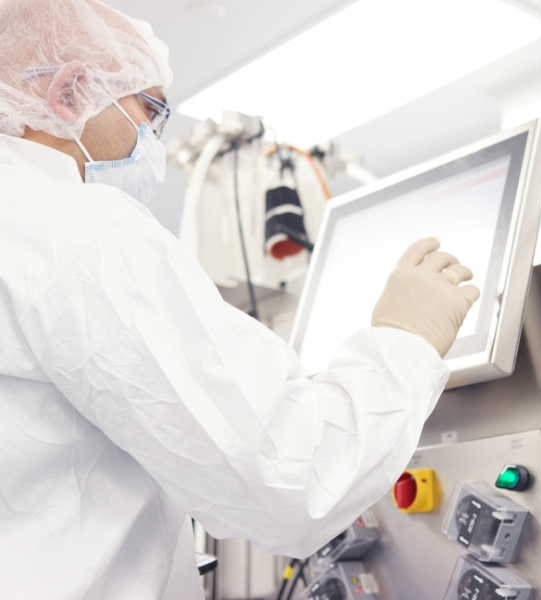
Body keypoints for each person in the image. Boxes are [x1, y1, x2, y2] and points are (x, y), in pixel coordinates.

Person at [0, 1, 480, 598]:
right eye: (149, 111)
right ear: (71, 92)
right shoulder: (76, 227)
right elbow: (290, 477)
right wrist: (405, 340)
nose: (152, 140)